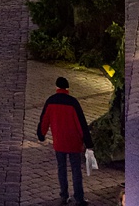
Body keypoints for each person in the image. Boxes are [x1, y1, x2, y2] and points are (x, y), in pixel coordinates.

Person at [36, 75, 93, 206]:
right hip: (74, 143)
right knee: (76, 170)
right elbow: (81, 124)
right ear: (67, 88)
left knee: (61, 169)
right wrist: (88, 142)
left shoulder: (51, 101)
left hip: (59, 142)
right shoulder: (73, 102)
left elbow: (44, 120)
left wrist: (41, 135)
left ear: (57, 87)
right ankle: (79, 198)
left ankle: (64, 195)